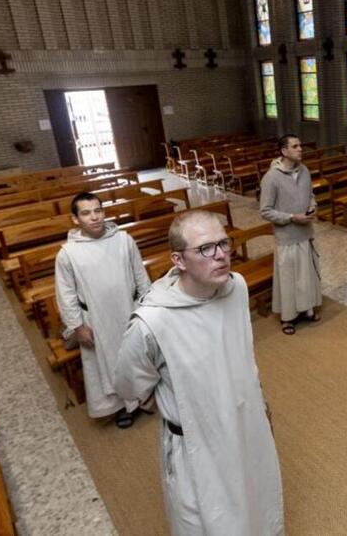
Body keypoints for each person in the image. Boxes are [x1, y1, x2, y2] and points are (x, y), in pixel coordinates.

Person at [114, 211, 284, 536]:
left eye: (223, 243)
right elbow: (128, 383)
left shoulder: (237, 288)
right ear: (178, 259)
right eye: (205, 248)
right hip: (197, 442)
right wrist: (172, 404)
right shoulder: (152, 322)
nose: (221, 255)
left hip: (245, 422)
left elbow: (242, 353)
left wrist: (260, 405)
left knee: (257, 500)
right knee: (209, 518)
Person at [55, 192, 151, 427]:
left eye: (98, 210)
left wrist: (148, 307)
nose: (94, 217)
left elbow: (140, 275)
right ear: (75, 219)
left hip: (129, 310)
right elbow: (65, 294)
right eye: (86, 213)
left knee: (137, 356)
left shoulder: (124, 240)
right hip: (96, 320)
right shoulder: (68, 253)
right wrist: (77, 326)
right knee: (107, 364)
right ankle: (119, 407)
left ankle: (143, 397)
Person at [259, 134, 322, 335]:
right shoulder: (271, 177)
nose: (300, 149)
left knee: (306, 277)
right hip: (287, 237)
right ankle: (288, 317)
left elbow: (311, 196)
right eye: (295, 146)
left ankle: (307, 309)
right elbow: (265, 210)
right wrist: (292, 217)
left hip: (306, 233)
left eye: (300, 145)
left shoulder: (304, 171)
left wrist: (313, 207)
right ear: (284, 151)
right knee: (289, 279)